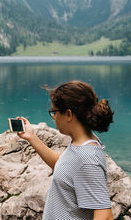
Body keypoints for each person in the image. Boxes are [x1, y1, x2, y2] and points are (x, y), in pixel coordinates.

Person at [17, 80, 114, 220]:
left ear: (68, 114)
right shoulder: (80, 144)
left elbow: (104, 216)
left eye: (54, 112)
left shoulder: (88, 159)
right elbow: (63, 167)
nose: (54, 117)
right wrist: (32, 137)